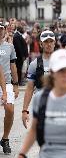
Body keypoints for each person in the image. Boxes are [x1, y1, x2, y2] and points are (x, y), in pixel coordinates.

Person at [22, 30, 56, 129]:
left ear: (54, 43)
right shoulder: (34, 64)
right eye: (46, 42)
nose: (48, 44)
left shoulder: (62, 62)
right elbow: (29, 89)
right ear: (41, 44)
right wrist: (24, 110)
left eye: (51, 41)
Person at [0, 22, 19, 154]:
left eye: (1, 29)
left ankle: (5, 138)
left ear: (4, 30)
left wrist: (16, 84)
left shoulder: (9, 47)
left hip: (6, 83)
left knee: (10, 109)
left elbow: (13, 65)